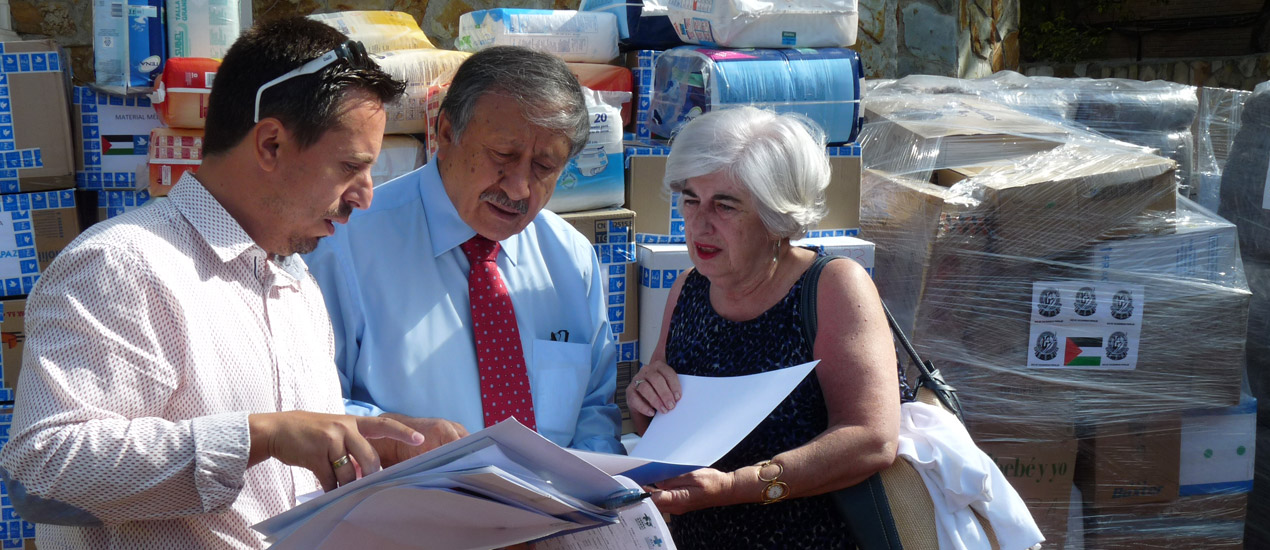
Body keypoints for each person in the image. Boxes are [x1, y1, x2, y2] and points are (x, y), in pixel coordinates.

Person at [0, 17, 428, 549]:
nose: (365, 195)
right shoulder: (123, 265)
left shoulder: (293, 278)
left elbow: (283, 461)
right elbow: (40, 476)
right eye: (350, 167)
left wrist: (367, 449)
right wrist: (258, 436)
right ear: (270, 144)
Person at [304, 45, 624, 462]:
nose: (519, 189)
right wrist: (402, 439)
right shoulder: (347, 246)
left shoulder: (570, 259)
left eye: (544, 167)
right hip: (408, 516)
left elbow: (594, 411)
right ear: (446, 132)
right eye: (503, 156)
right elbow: (310, 408)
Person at [625, 106, 904, 549]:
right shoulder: (688, 289)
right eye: (690, 198)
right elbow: (660, 423)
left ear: (777, 215)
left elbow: (870, 440)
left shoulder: (832, 286)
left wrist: (738, 486)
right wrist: (643, 396)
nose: (699, 222)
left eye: (726, 204)